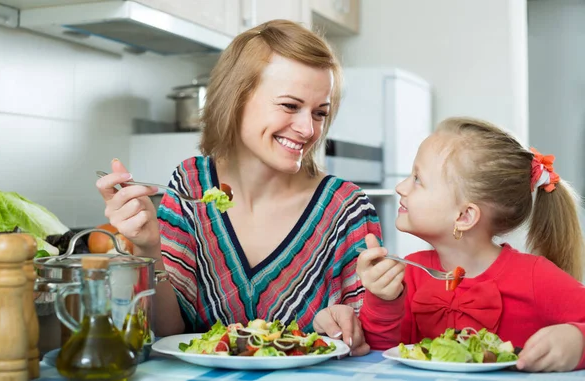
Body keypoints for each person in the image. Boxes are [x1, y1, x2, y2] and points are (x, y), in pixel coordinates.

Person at [96, 19, 404, 356]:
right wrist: (148, 248)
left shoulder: (347, 208)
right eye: (290, 105)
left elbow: (372, 340)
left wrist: (349, 325)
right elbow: (169, 332)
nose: (307, 128)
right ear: (237, 97)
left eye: (320, 112)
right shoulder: (191, 183)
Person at [357, 116, 585, 372]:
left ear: (464, 216)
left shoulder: (535, 277)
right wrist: (383, 300)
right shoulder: (411, 273)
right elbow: (379, 355)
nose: (401, 187)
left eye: (418, 179)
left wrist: (578, 340)